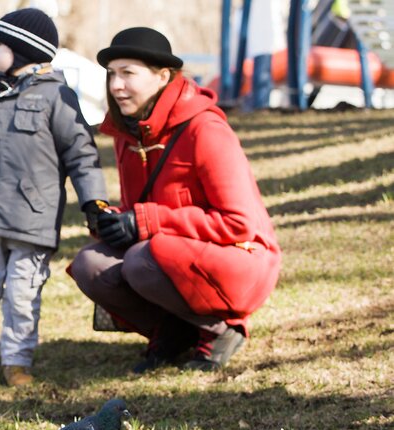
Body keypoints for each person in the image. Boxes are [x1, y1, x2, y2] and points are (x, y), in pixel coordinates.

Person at [70, 27, 281, 372]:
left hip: (242, 258)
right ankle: (172, 331)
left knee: (142, 258)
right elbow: (144, 208)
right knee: (90, 265)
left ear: (162, 76)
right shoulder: (128, 133)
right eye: (111, 74)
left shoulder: (205, 129)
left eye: (128, 74)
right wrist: (113, 220)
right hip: (172, 254)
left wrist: (145, 221)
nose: (116, 85)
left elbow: (239, 223)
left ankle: (220, 331)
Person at [0, 8, 108, 391]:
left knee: (22, 295)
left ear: (25, 52)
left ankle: (17, 362)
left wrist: (93, 202)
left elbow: (81, 154)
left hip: (33, 220)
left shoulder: (57, 97)